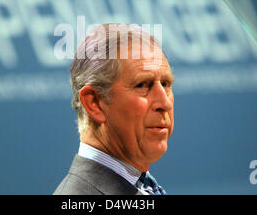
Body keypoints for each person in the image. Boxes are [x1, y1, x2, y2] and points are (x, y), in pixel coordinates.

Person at [53, 23, 174, 195]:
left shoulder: (140, 184)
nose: (165, 103)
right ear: (94, 103)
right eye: (142, 85)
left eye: (166, 84)